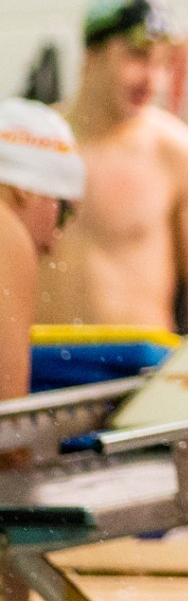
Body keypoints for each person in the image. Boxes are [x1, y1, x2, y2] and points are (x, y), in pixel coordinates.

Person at [37, 0, 188, 333]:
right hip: (38, 374)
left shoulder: (181, 156)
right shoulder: (27, 147)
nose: (153, 80)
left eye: (164, 63)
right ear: (91, 53)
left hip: (135, 372)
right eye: (138, 56)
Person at [1, 100, 85, 403]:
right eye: (61, 212)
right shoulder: (5, 231)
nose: (52, 243)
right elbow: (7, 427)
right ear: (26, 187)